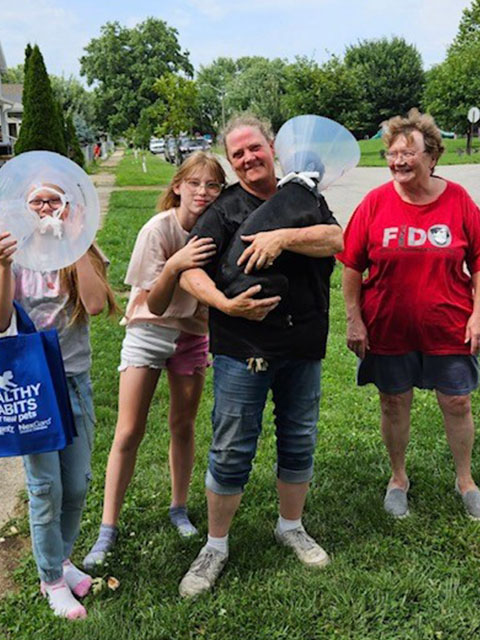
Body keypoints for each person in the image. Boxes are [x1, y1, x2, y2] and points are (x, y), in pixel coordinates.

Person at [177, 114, 343, 598]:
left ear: (273, 147)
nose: (249, 158)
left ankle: (290, 525)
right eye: (238, 155)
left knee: (299, 437)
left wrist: (282, 237)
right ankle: (215, 546)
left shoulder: (306, 196)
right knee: (231, 447)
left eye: (255, 148)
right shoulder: (226, 210)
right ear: (232, 163)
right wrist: (225, 304)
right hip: (241, 348)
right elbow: (191, 270)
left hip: (302, 344)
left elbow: (339, 240)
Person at [83, 152, 225, 569]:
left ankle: (178, 508)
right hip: (148, 330)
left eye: (213, 185)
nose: (203, 192)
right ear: (177, 185)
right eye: (195, 183)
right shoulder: (157, 230)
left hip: (193, 334)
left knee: (183, 426)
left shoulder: (217, 229)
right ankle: (107, 529)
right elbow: (158, 303)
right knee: (129, 429)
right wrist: (177, 265)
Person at [337, 109, 480, 519]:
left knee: (457, 402)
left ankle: (466, 480)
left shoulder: (458, 200)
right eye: (392, 153)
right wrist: (354, 318)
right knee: (393, 403)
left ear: (432, 156)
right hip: (388, 326)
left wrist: (477, 315)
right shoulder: (375, 203)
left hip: (449, 324)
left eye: (408, 152)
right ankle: (398, 478)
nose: (398, 160)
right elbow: (351, 264)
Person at [0, 183, 116, 619]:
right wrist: (4, 264)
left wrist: (78, 243)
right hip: (34, 383)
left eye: (55, 200)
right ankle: (51, 579)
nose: (47, 208)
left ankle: (63, 558)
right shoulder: (13, 253)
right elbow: (1, 321)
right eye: (38, 201)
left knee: (78, 481)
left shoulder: (78, 249)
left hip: (73, 379)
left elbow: (94, 303)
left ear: (68, 206)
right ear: (23, 208)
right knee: (45, 487)